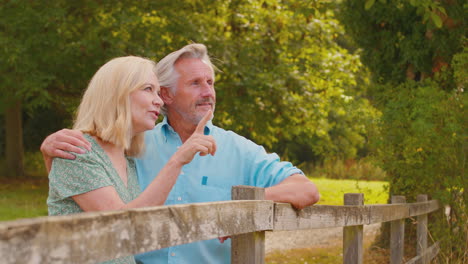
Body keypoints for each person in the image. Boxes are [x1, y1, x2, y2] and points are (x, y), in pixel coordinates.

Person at [41, 44, 320, 264]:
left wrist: (238, 209)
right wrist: (51, 151)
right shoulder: (134, 144)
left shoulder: (238, 148)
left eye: (210, 82)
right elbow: (85, 190)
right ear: (168, 95)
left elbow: (305, 189)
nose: (208, 92)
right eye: (196, 83)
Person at [46, 55, 216, 264]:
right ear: (117, 94)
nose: (159, 100)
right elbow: (123, 224)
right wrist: (178, 159)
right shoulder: (78, 152)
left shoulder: (128, 161)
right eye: (148, 89)